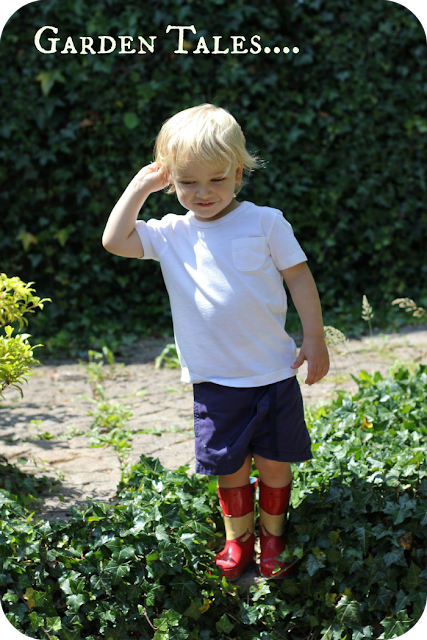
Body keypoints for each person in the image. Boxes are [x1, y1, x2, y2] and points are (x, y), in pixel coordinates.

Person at [102, 103, 330, 581]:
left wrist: (314, 337)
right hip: (215, 382)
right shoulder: (170, 233)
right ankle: (237, 538)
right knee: (229, 468)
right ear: (170, 179)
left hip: (272, 372)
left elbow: (300, 278)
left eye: (217, 179)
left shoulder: (266, 222)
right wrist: (142, 186)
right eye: (187, 182)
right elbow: (114, 240)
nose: (202, 193)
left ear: (240, 173)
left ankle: (273, 537)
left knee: (273, 464)